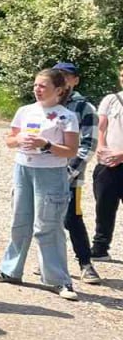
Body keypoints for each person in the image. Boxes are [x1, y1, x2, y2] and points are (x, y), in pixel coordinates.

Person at [0, 68, 80, 301]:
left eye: (43, 86)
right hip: (23, 169)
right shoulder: (25, 111)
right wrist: (17, 139)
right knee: (20, 221)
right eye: (36, 85)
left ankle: (58, 279)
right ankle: (10, 270)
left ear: (58, 90)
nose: (37, 89)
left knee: (48, 225)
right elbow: (10, 140)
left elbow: (71, 150)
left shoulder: (66, 116)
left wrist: (45, 145)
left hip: (51, 173)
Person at [54, 62, 103, 284]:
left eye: (67, 76)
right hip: (44, 173)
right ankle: (51, 261)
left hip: (70, 177)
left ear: (75, 80)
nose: (62, 79)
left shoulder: (84, 108)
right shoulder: (47, 104)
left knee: (72, 219)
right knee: (46, 220)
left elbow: (88, 145)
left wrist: (69, 172)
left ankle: (85, 263)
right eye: (58, 75)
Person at [92, 61, 123, 261]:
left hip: (119, 157)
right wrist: (102, 147)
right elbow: (101, 126)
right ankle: (100, 248)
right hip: (108, 163)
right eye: (122, 75)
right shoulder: (111, 100)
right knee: (104, 206)